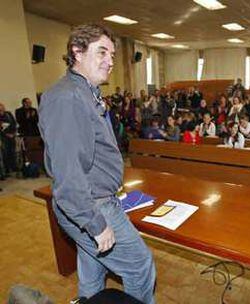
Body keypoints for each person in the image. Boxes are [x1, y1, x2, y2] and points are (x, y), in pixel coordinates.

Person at [38, 24, 155, 303]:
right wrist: (95, 223)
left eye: (112, 55)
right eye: (101, 52)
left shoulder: (85, 92)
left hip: (95, 199)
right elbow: (68, 172)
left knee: (94, 268)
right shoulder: (68, 97)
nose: (110, 61)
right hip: (91, 205)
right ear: (77, 52)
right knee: (140, 266)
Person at [0, 103, 17, 175]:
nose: (2, 108)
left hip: (12, 136)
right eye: (1, 108)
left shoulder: (8, 114)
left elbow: (14, 123)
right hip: (3, 137)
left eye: (2, 107)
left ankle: (14, 167)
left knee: (13, 151)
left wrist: (13, 133)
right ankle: (6, 170)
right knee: (5, 153)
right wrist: (6, 134)